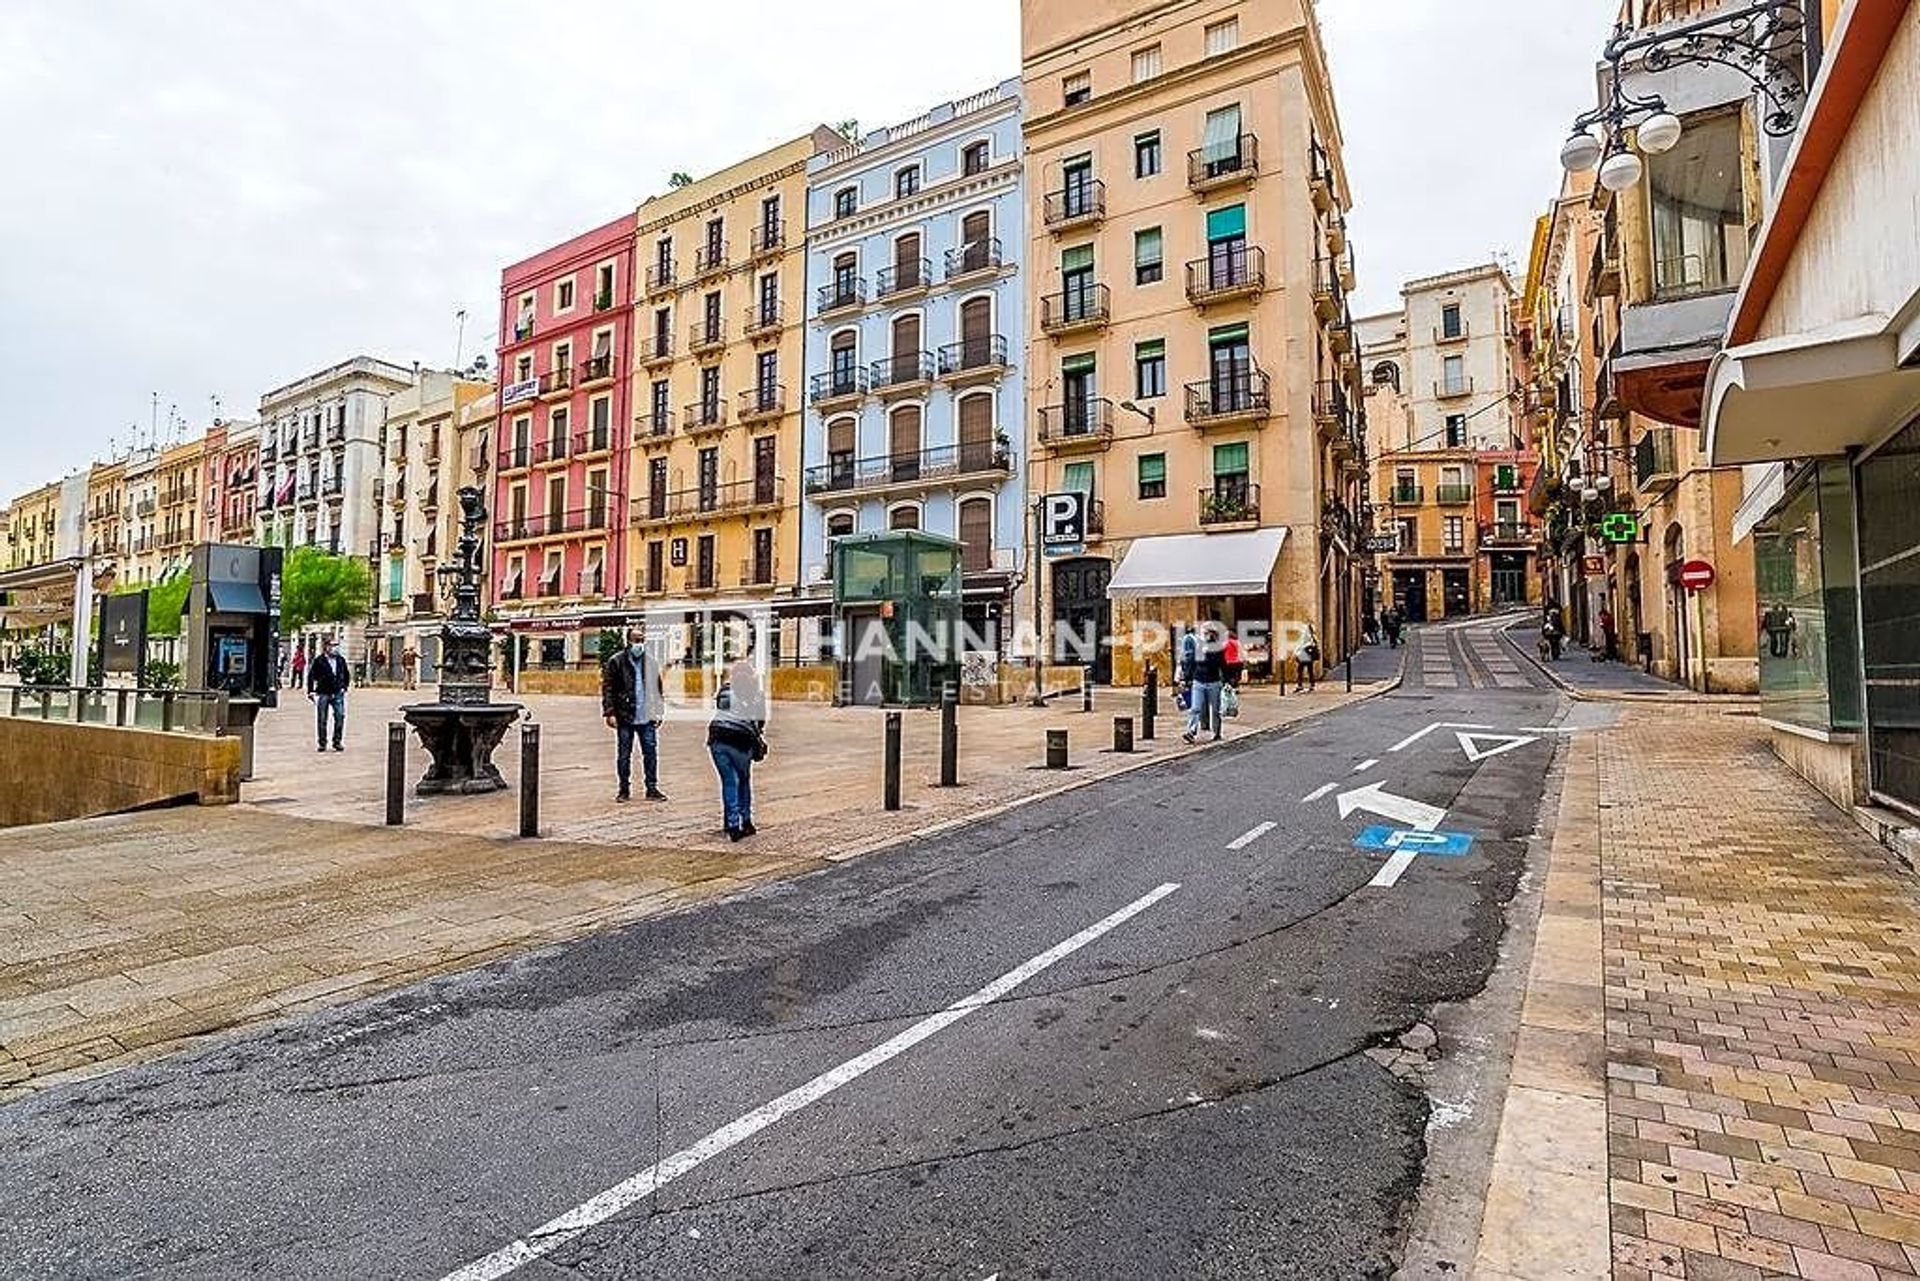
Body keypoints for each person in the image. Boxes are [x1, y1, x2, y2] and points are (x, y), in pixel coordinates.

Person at [601, 626, 668, 803]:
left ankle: (652, 788)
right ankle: (623, 789)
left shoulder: (651, 662)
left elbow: (657, 688)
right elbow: (608, 689)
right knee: (624, 754)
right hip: (625, 715)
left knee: (651, 753)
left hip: (646, 717)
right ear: (628, 641)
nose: (639, 644)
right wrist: (610, 712)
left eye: (642, 640)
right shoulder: (616, 661)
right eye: (636, 640)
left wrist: (659, 711)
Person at [707, 651, 766, 841]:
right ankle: (746, 821)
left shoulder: (724, 691)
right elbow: (759, 722)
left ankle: (731, 825)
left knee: (729, 782)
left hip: (718, 739)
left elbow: (722, 708)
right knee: (743, 781)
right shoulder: (756, 694)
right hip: (741, 743)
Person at [1181, 621, 1226, 744]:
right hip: (1198, 680)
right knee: (1195, 708)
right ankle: (1191, 732)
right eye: (1203, 632)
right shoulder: (1198, 646)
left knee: (1215, 710)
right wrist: (1186, 679)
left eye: (1207, 632)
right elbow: (1191, 663)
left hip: (1214, 682)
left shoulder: (1218, 647)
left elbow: (1221, 664)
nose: (1205, 635)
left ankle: (1217, 732)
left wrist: (1227, 680)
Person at [305, 635, 350, 752]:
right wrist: (310, 691)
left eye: (336, 646)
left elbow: (346, 674)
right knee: (322, 719)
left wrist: (344, 687)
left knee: (340, 716)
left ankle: (337, 741)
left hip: (337, 693)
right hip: (323, 692)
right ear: (326, 647)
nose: (335, 648)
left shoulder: (340, 660)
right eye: (332, 646)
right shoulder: (319, 661)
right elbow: (311, 676)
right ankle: (322, 742)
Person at [1293, 623, 1321, 693]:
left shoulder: (1304, 636)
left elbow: (1300, 645)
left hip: (1304, 654)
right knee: (1309, 670)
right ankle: (1311, 684)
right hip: (1309, 655)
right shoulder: (1312, 636)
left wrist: (1296, 652)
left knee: (1300, 670)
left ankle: (1300, 685)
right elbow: (1316, 643)